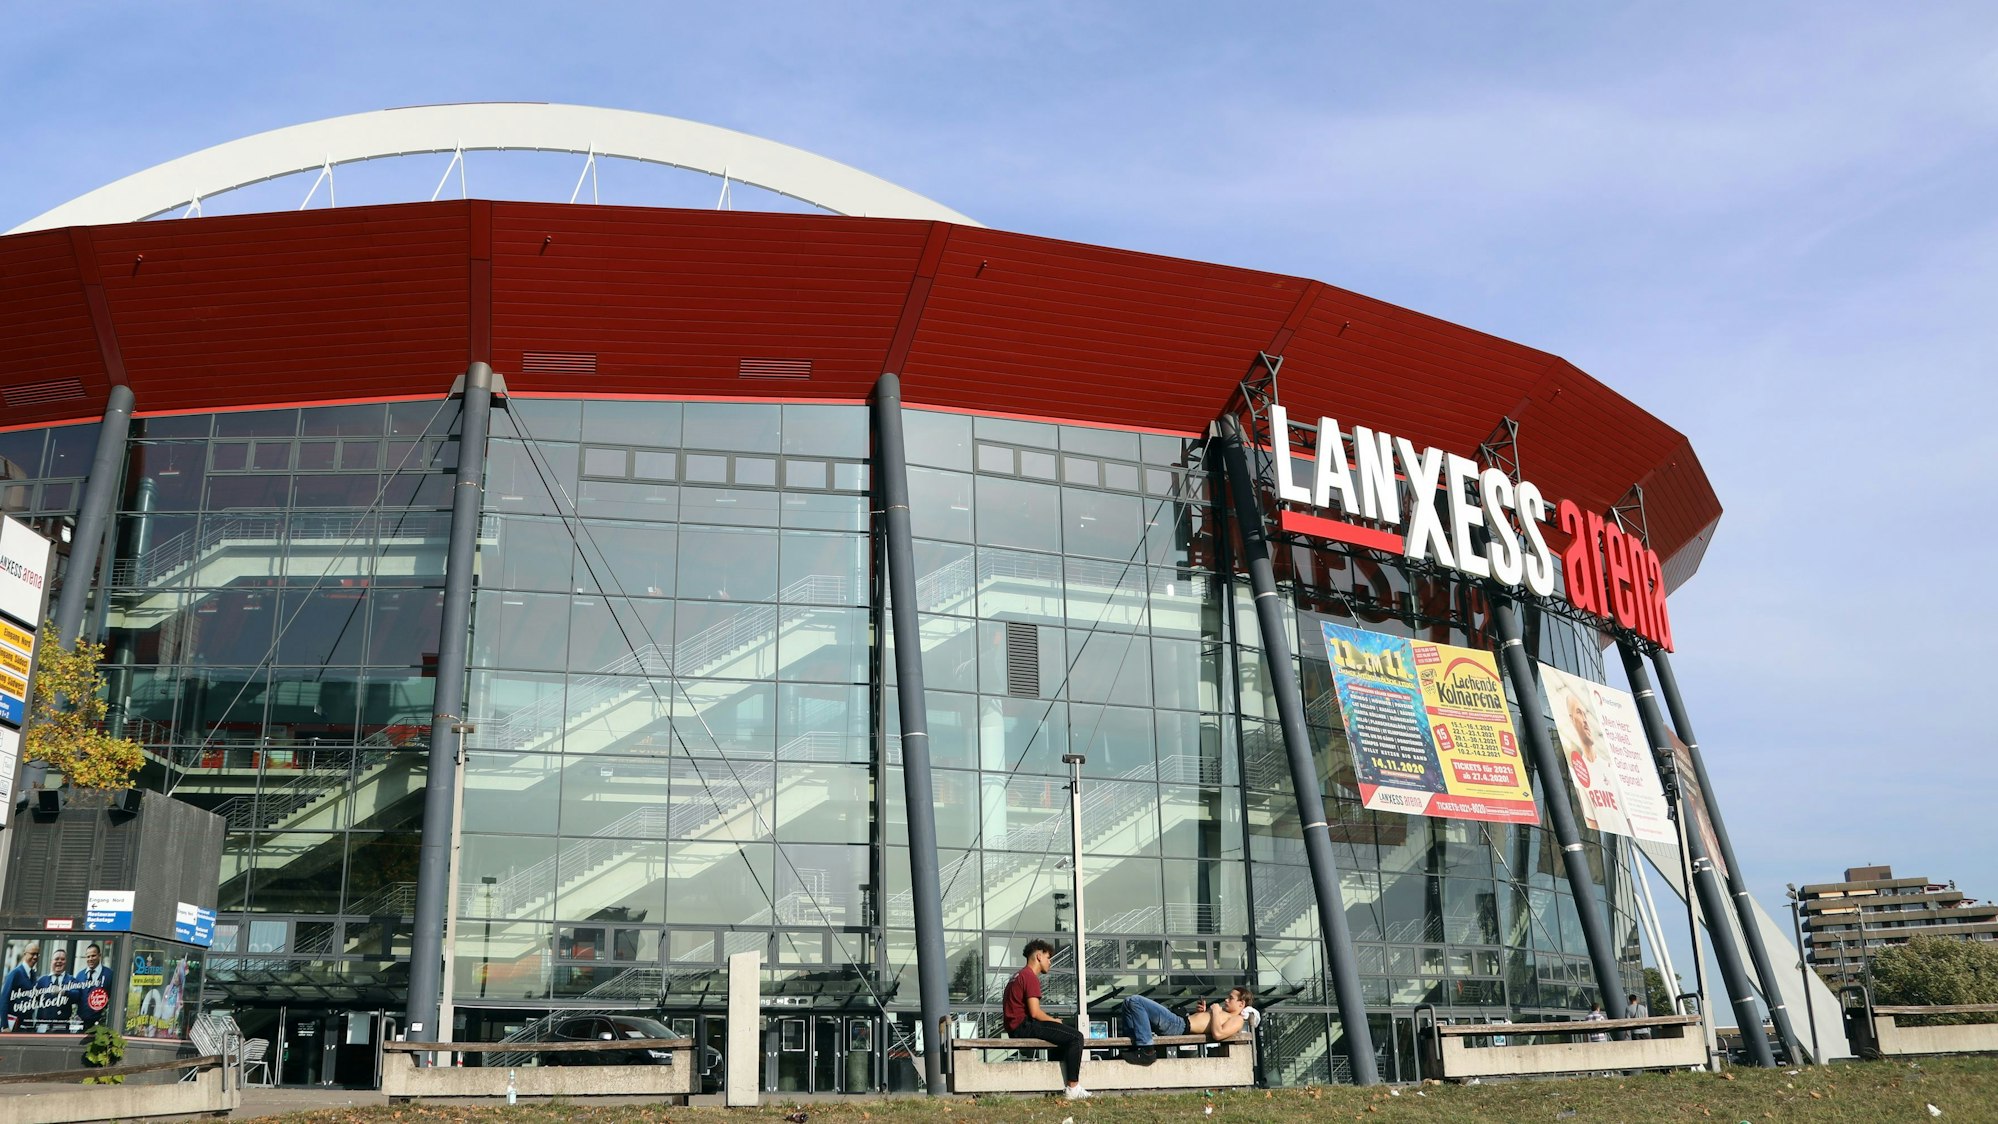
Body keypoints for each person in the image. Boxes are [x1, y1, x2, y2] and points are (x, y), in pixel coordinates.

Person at [1002, 938, 1090, 1100]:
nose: (1050, 962)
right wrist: (1053, 1021)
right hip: (1024, 1026)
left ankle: (1060, 1084)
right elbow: (1035, 1012)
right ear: (1039, 956)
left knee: (1062, 1038)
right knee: (1076, 1037)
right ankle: (1073, 1088)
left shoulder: (1017, 976)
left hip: (1016, 1027)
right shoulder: (1029, 976)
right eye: (1048, 957)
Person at [1120, 986, 1259, 1066]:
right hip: (1179, 1023)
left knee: (1135, 1000)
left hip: (1178, 1025)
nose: (1226, 1000)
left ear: (1241, 1004)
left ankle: (1147, 1051)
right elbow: (1206, 1025)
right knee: (1127, 1002)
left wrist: (1215, 1012)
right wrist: (1203, 1013)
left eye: (1231, 998)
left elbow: (1218, 1034)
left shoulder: (1238, 1019)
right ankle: (1134, 1049)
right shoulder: (1226, 1014)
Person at [66, 944, 112, 1030]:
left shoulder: (109, 974)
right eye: (88, 956)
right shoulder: (80, 975)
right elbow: (76, 997)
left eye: (93, 956)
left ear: (99, 955)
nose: (90, 959)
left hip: (101, 1026)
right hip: (81, 1024)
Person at [1, 943, 39, 1032]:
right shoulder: (15, 973)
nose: (35, 957)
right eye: (32, 954)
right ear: (25, 954)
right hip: (13, 1026)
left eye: (37, 954)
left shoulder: (33, 974)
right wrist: (5, 1026)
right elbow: (3, 999)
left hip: (26, 1026)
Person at [34, 946, 72, 1029]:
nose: (59, 961)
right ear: (51, 961)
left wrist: (64, 992)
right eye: (56, 959)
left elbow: (77, 995)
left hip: (62, 1027)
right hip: (42, 1026)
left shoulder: (71, 980)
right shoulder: (41, 980)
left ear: (66, 962)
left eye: (62, 959)